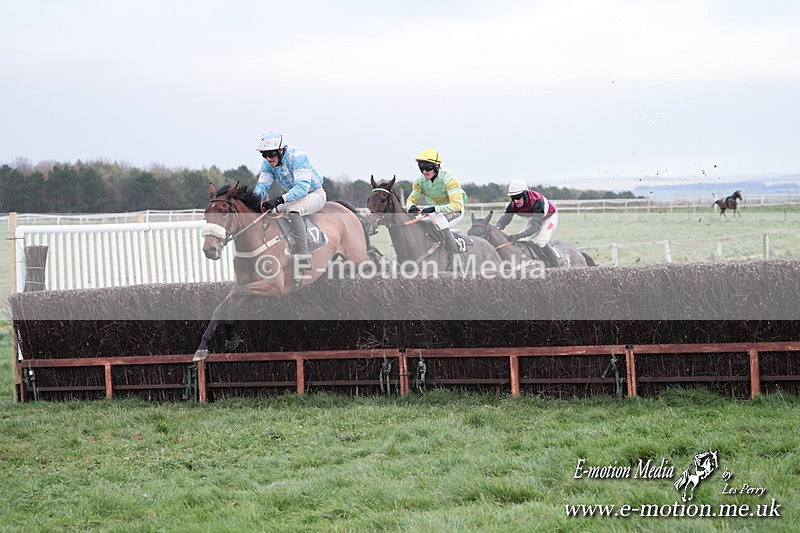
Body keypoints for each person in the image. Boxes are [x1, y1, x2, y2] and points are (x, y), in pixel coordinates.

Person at [254, 131, 326, 272]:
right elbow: (262, 185)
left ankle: (303, 256)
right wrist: (254, 200)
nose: (268, 158)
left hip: (314, 193)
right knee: (271, 211)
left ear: (281, 150)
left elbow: (302, 189)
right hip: (294, 197)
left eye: (271, 154)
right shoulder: (267, 164)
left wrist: (280, 199)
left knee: (293, 211)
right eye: (264, 155)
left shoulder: (298, 157)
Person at [404, 148, 466, 254]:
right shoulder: (420, 182)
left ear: (437, 166)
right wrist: (411, 207)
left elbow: (457, 205)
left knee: (440, 222)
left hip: (455, 210)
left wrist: (434, 208)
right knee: (416, 221)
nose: (424, 172)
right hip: (437, 211)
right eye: (421, 168)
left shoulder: (450, 179)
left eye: (427, 168)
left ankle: (456, 259)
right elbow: (410, 200)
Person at [495, 180, 565, 267]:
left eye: (518, 197)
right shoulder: (512, 206)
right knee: (521, 241)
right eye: (513, 197)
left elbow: (535, 227)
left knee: (541, 241)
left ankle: (557, 263)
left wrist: (517, 236)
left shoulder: (537, 201)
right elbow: (504, 220)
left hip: (549, 218)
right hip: (534, 220)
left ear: (525, 194)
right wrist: (497, 228)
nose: (516, 201)